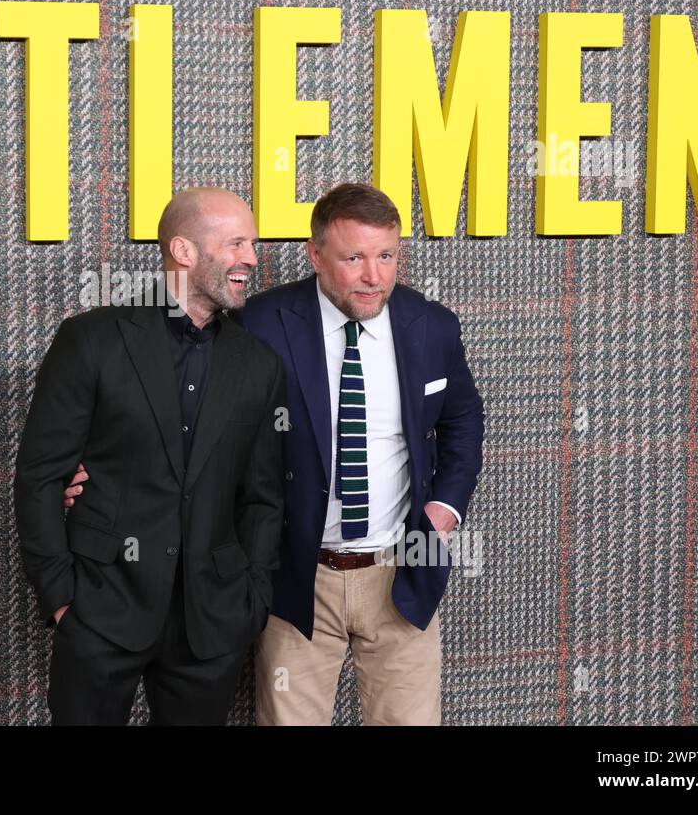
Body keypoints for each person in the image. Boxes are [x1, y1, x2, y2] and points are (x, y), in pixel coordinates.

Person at [65, 182, 485, 725]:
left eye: (386, 256)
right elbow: (184, 413)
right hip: (295, 579)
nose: (374, 276)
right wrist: (94, 470)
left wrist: (444, 511)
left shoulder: (431, 326)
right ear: (315, 255)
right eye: (353, 258)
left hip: (402, 573)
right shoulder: (255, 322)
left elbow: (463, 421)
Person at [14, 187, 286, 724]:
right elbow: (39, 477)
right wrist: (61, 597)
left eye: (251, 244)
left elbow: (263, 495)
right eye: (236, 244)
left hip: (212, 621)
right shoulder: (91, 340)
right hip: (99, 608)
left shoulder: (259, 364)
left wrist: (251, 596)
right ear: (183, 252)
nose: (252, 259)